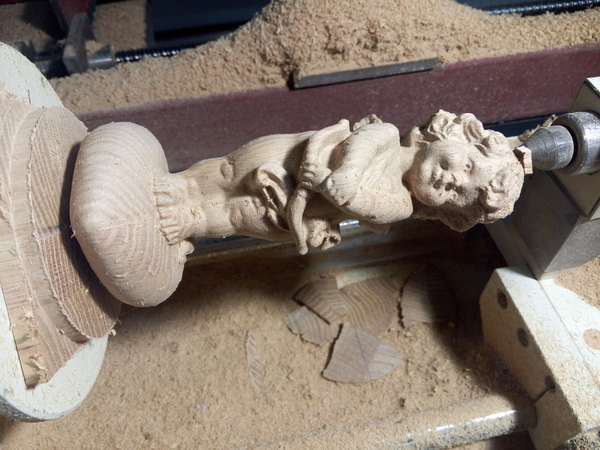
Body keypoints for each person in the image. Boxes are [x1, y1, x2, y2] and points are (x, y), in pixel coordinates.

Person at [154, 110, 524, 254]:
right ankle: (183, 185)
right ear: (461, 138)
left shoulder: (401, 205)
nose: (452, 179)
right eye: (467, 166)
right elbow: (363, 143)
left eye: (455, 194)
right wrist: (345, 174)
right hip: (295, 155)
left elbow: (363, 204)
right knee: (230, 168)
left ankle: (192, 222)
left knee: (238, 216)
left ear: (446, 211)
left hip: (297, 207)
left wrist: (334, 188)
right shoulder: (388, 135)